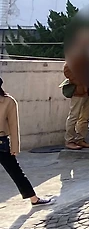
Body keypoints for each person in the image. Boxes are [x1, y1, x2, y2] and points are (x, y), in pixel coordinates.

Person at [0, 79, 51, 207]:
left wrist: (15, 147)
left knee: (15, 172)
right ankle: (34, 199)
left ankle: (33, 198)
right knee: (16, 172)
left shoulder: (8, 101)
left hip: (1, 143)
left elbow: (13, 125)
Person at [63, 36, 89, 151]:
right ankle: (69, 140)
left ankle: (80, 139)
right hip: (79, 91)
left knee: (84, 117)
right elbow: (67, 70)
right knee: (74, 116)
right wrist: (79, 83)